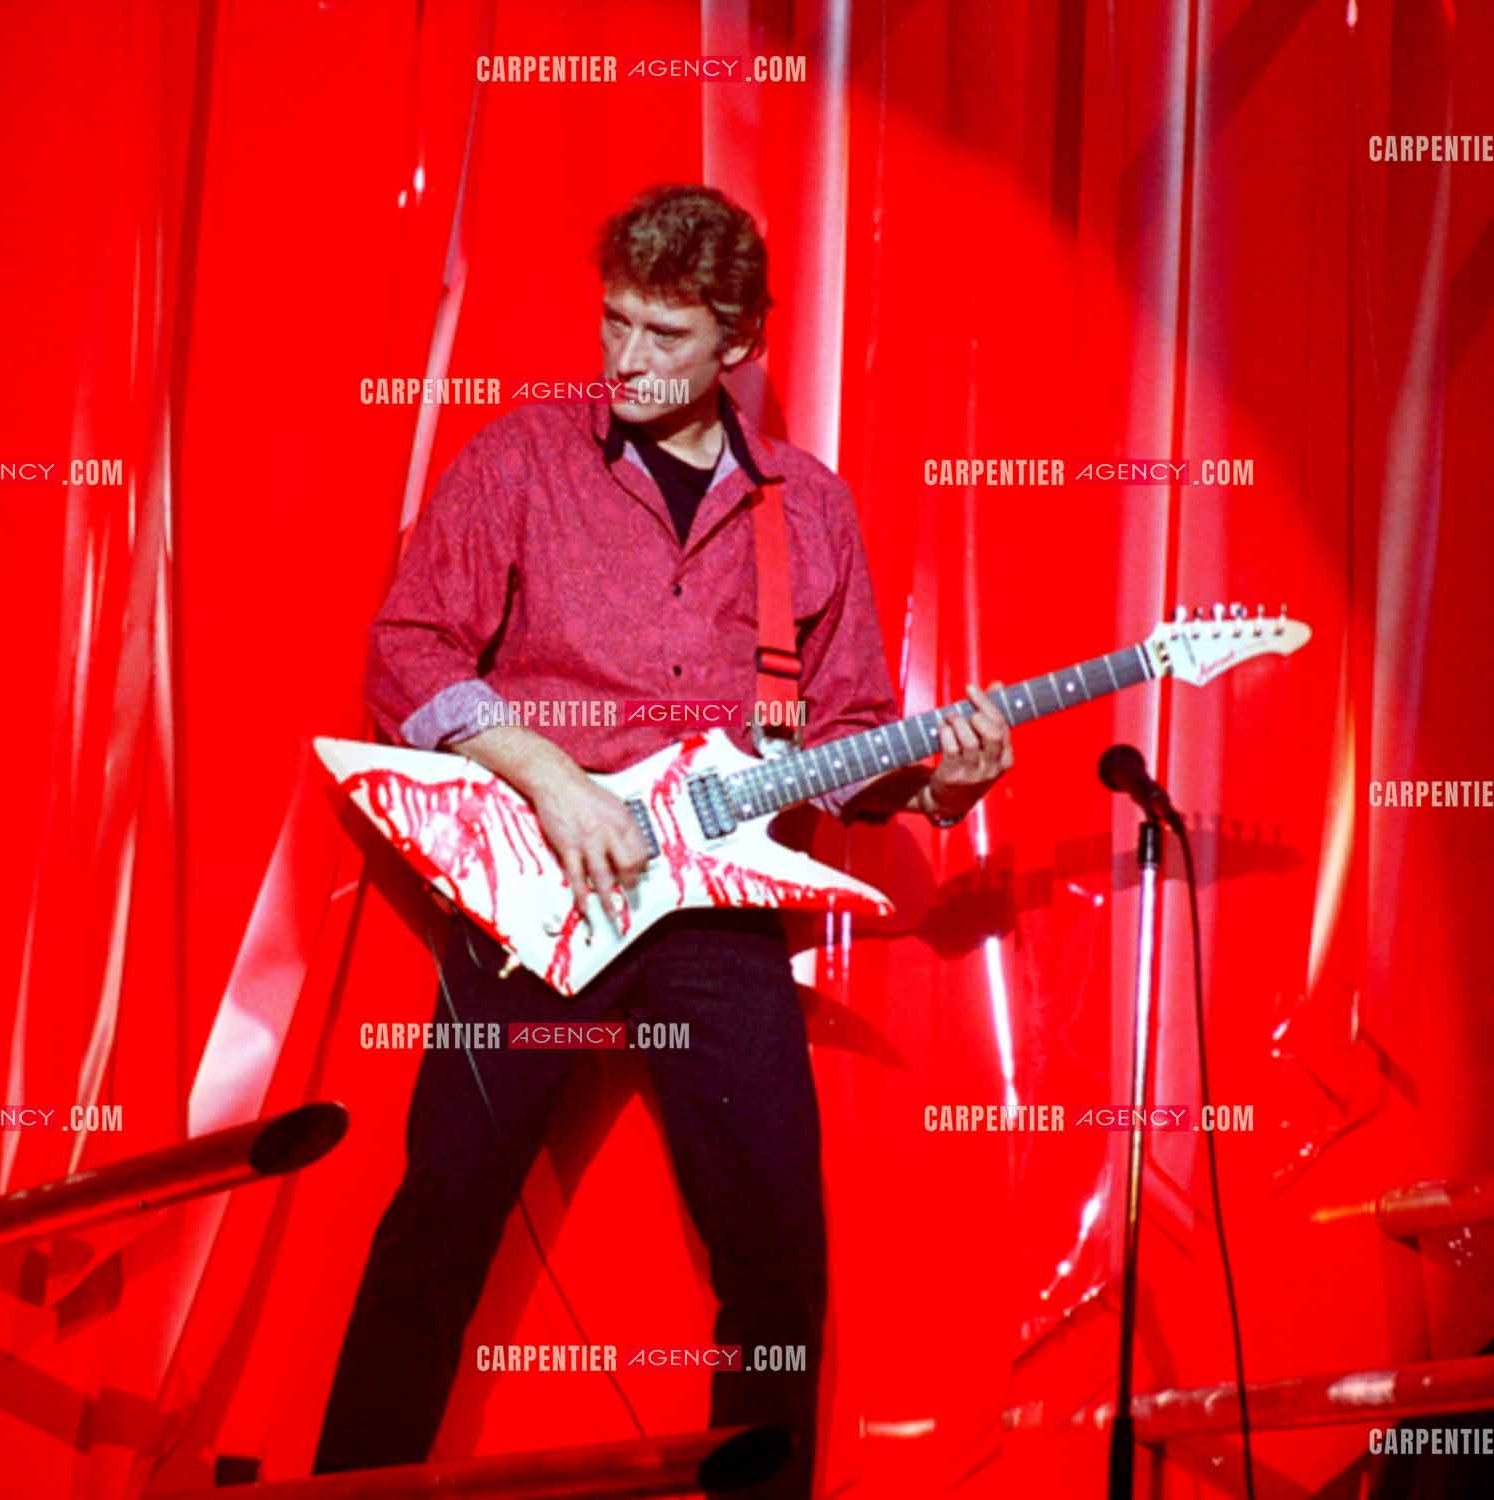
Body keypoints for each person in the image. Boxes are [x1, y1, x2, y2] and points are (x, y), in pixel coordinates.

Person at [312, 183, 1013, 1497]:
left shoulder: (803, 507)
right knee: (438, 1227)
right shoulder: (520, 458)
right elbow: (402, 651)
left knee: (777, 1263)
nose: (627, 360)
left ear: (735, 345)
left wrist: (937, 787)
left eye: (666, 336)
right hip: (538, 889)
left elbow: (847, 731)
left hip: (715, 919)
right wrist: (542, 772)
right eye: (616, 322)